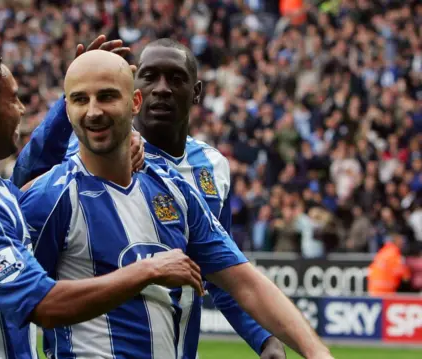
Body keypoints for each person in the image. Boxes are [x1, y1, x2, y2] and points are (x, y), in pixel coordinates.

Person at [18, 50, 332, 359]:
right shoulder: (51, 195)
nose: (94, 111)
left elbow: (240, 279)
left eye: (107, 96)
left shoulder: (180, 187)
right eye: (79, 99)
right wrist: (145, 271)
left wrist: (313, 351)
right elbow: (27, 302)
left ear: (133, 102)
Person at [0, 48, 206, 359]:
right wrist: (148, 270)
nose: (22, 108)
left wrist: (106, 132)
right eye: (12, 99)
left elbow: (35, 175)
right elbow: (45, 305)